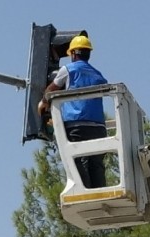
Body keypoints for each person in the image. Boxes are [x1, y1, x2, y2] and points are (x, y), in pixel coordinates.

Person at [37, 33, 108, 189]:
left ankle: (84, 192)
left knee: (78, 160)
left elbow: (51, 89)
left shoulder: (68, 70)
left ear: (74, 53)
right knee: (96, 162)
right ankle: (99, 193)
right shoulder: (98, 75)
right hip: (98, 128)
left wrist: (42, 103)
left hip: (77, 125)